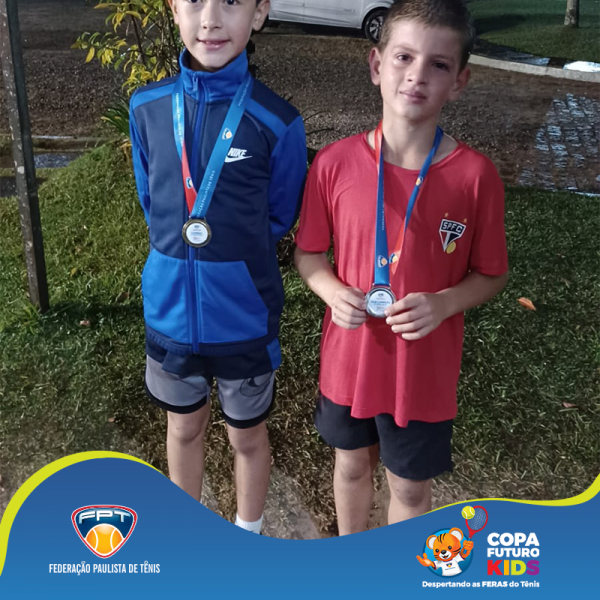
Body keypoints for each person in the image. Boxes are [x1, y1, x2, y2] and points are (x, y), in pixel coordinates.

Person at [294, 0, 508, 535]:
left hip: (423, 372)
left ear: (459, 81)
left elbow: (492, 273)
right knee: (351, 465)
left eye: (438, 64)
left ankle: (394, 571)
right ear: (376, 65)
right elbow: (309, 254)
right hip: (350, 361)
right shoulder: (334, 163)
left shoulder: (475, 177)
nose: (417, 75)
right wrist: (330, 290)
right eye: (404, 57)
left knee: (410, 488)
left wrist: (444, 303)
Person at [129, 0, 306, 535]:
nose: (210, 18)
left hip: (243, 318)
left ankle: (247, 536)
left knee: (246, 436)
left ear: (259, 12)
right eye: (195, 1)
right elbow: (152, 202)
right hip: (170, 316)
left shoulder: (277, 121)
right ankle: (187, 535)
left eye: (231, 2)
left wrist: (229, 265)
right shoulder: (147, 107)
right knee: (183, 429)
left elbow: (278, 215)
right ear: (173, 9)